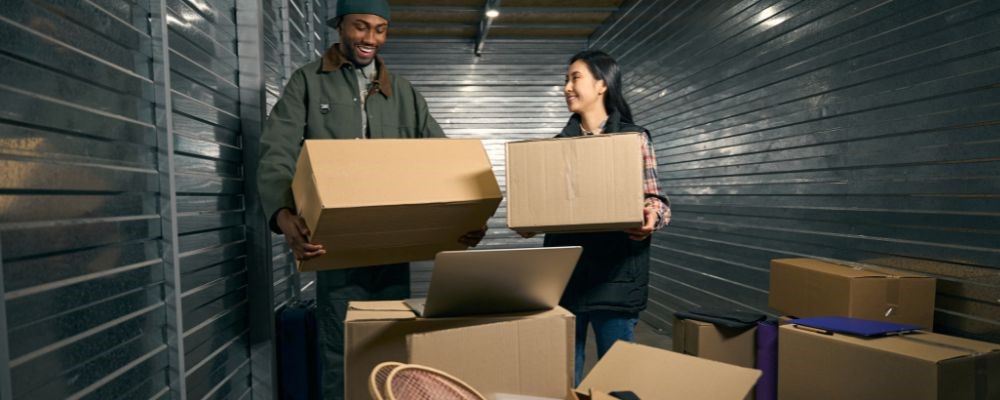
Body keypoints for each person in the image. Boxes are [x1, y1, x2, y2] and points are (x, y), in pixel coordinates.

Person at [256, 0, 485, 398]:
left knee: (393, 349)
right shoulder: (308, 82)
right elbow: (277, 151)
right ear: (340, 26)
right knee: (341, 351)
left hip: (395, 245)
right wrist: (281, 213)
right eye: (361, 27)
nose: (370, 39)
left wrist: (466, 215)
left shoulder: (404, 94)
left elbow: (443, 160)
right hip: (337, 244)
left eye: (380, 29)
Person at [520, 50, 670, 384]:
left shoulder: (633, 139)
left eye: (575, 77)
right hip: (567, 278)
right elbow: (542, 208)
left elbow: (657, 201)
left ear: (602, 84)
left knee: (618, 382)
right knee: (562, 380)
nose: (566, 87)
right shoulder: (556, 148)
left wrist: (651, 218)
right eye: (565, 79)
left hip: (616, 277)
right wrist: (528, 219)